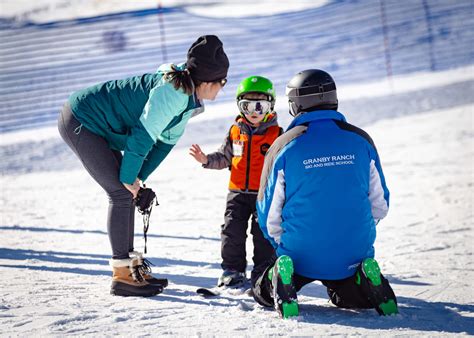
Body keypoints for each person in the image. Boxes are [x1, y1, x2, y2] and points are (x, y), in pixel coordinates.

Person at [57, 35, 229, 297]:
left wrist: (137, 179)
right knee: (119, 191)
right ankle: (122, 275)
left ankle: (131, 268)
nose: (222, 88)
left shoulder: (188, 101)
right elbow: (143, 136)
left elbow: (162, 145)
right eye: (222, 82)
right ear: (207, 81)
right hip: (83, 120)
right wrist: (129, 179)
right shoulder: (172, 93)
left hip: (102, 127)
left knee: (126, 191)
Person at [252, 69, 398, 318]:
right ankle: (364, 276)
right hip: (352, 249)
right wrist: (356, 230)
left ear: (296, 105)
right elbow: (380, 203)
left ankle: (280, 275)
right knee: (347, 298)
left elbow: (268, 213)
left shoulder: (284, 145)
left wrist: (281, 243)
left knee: (261, 291)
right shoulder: (361, 139)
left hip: (299, 251)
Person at [189, 76, 282, 288]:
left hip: (264, 195)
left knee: (263, 234)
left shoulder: (276, 135)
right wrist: (206, 160)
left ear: (271, 106)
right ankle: (232, 270)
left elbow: (285, 165)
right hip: (237, 193)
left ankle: (264, 272)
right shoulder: (235, 132)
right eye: (247, 105)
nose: (254, 111)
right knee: (232, 231)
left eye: (260, 105)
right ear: (240, 106)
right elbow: (225, 157)